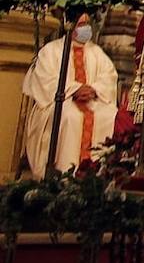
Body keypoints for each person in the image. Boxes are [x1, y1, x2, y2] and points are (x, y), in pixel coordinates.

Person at [22, 13, 118, 176]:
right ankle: (64, 173)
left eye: (87, 24)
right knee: (70, 116)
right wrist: (74, 89)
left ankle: (98, 175)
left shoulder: (96, 52)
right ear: (70, 25)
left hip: (92, 100)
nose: (85, 28)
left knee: (111, 116)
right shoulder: (51, 50)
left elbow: (109, 77)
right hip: (61, 101)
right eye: (81, 25)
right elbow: (45, 80)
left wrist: (94, 89)